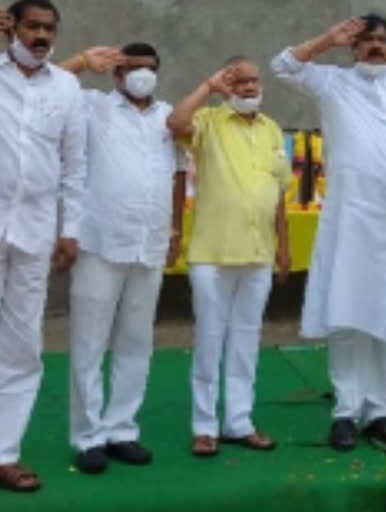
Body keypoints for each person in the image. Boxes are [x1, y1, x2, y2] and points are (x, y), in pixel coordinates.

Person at [271, 14, 386, 451]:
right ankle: (346, 410)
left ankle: (379, 412)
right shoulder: (332, 83)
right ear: (354, 47)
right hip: (350, 218)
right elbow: (282, 66)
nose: (376, 46)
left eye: (383, 40)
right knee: (346, 315)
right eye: (367, 41)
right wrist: (326, 38)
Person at [59, 43, 187, 474]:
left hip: (149, 241)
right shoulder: (93, 106)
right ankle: (88, 435)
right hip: (99, 240)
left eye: (149, 68)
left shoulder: (169, 116)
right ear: (116, 75)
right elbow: (47, 89)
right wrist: (80, 62)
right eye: (131, 69)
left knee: (137, 343)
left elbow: (178, 173)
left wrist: (175, 230)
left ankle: (121, 429)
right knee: (89, 341)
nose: (141, 75)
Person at [167, 56, 291, 457]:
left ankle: (239, 421)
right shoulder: (208, 121)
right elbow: (175, 124)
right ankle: (204, 427)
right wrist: (208, 84)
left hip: (259, 253)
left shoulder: (272, 129)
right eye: (238, 81)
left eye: (254, 80)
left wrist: (284, 247)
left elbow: (278, 193)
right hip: (213, 253)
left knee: (246, 339)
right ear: (225, 85)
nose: (249, 87)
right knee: (210, 337)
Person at [0, 0, 86, 492]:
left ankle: (5, 451)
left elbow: (74, 166)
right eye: (32, 25)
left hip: (33, 231)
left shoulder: (67, 87)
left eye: (49, 28)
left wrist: (69, 229)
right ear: (11, 26)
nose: (41, 35)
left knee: (21, 346)